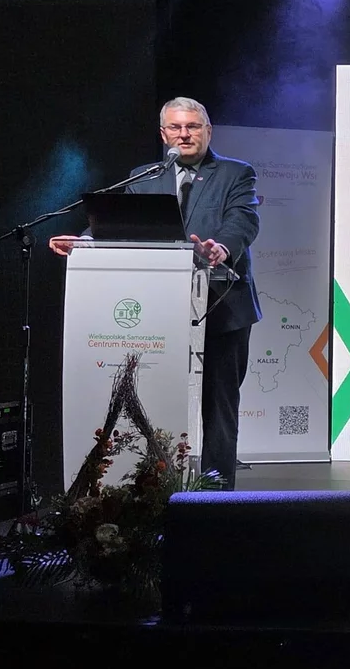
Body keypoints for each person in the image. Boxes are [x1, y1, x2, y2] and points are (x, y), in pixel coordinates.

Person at [50, 97, 261, 489]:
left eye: (193, 127)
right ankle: (157, 490)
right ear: (164, 134)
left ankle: (216, 495)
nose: (184, 134)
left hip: (221, 307)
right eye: (176, 128)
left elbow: (243, 220)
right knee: (156, 398)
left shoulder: (236, 173)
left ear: (208, 131)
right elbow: (122, 223)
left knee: (219, 407)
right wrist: (84, 241)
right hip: (159, 309)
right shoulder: (144, 176)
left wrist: (221, 247)